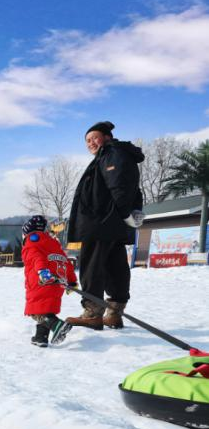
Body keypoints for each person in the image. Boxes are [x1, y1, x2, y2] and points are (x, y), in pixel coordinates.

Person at [66, 120, 144, 331]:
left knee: (91, 267)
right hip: (110, 225)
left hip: (100, 223)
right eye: (87, 140)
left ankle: (93, 313)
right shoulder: (111, 155)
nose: (91, 143)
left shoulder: (112, 154)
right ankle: (114, 314)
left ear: (107, 138)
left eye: (94, 138)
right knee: (115, 267)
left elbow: (120, 186)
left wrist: (125, 212)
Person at [21, 215, 77, 347]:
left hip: (41, 282)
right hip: (58, 284)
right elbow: (66, 262)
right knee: (46, 309)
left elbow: (36, 258)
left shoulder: (31, 244)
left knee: (36, 311)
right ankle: (40, 337)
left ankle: (57, 325)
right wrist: (72, 281)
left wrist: (43, 272)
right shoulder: (54, 245)